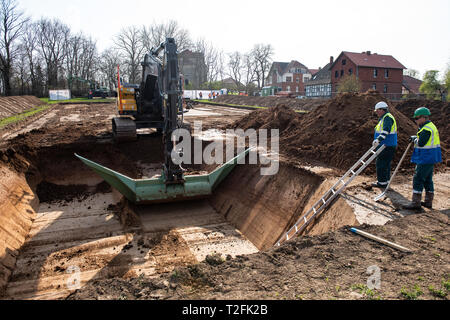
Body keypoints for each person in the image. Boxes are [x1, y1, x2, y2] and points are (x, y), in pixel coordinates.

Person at [403, 107, 442, 210]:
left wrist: (414, 139)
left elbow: (421, 143)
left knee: (418, 178)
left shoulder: (426, 129)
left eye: (417, 118)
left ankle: (416, 202)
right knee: (428, 179)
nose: (415, 120)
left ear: (423, 118)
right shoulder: (431, 126)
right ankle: (428, 202)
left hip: (425, 157)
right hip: (430, 157)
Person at [371, 101, 398, 188]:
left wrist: (378, 139)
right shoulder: (384, 118)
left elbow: (386, 130)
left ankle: (382, 183)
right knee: (386, 163)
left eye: (378, 110)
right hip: (386, 144)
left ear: (382, 110)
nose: (377, 112)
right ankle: (386, 181)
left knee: (381, 163)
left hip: (386, 145)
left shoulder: (387, 118)